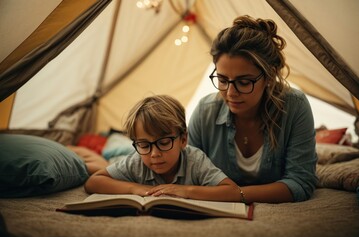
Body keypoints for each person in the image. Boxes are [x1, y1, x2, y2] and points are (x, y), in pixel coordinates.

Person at [187, 15, 318, 203]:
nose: (231, 92)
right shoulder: (204, 112)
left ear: (270, 76)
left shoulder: (295, 106)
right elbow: (190, 175)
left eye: (244, 82)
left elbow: (301, 182)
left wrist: (234, 194)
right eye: (223, 80)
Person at [84, 95, 242, 202]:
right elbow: (93, 181)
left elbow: (232, 190)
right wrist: (134, 188)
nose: (154, 154)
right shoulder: (136, 160)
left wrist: (185, 191)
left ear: (183, 139)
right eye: (144, 145)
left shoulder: (195, 160)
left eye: (164, 142)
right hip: (120, 158)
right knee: (94, 161)